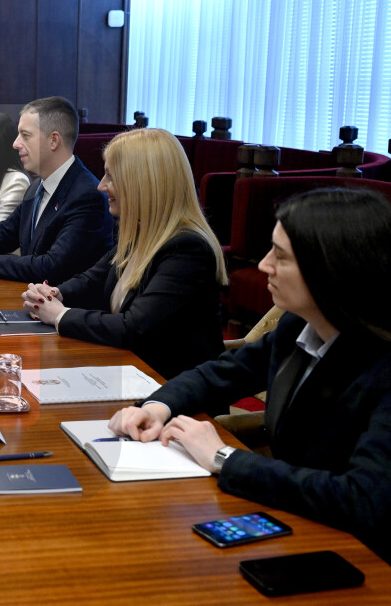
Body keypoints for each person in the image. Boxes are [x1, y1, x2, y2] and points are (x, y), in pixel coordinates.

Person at [108, 188, 391, 562]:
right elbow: (222, 373)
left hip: (361, 558)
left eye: (281, 257)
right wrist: (157, 406)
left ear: (333, 269)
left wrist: (224, 457)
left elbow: (362, 500)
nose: (264, 265)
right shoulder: (298, 325)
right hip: (300, 524)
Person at [21, 128, 226, 378]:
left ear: (142, 182)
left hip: (168, 387)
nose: (101, 186)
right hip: (129, 372)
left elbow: (134, 328)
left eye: (110, 176)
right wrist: (53, 293)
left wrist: (60, 315)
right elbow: (93, 279)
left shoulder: (187, 249)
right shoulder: (143, 231)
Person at [0, 96, 112, 283]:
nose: (15, 143)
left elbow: (52, 266)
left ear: (53, 141)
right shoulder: (37, 186)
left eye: (25, 135)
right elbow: (8, 230)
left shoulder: (87, 196)